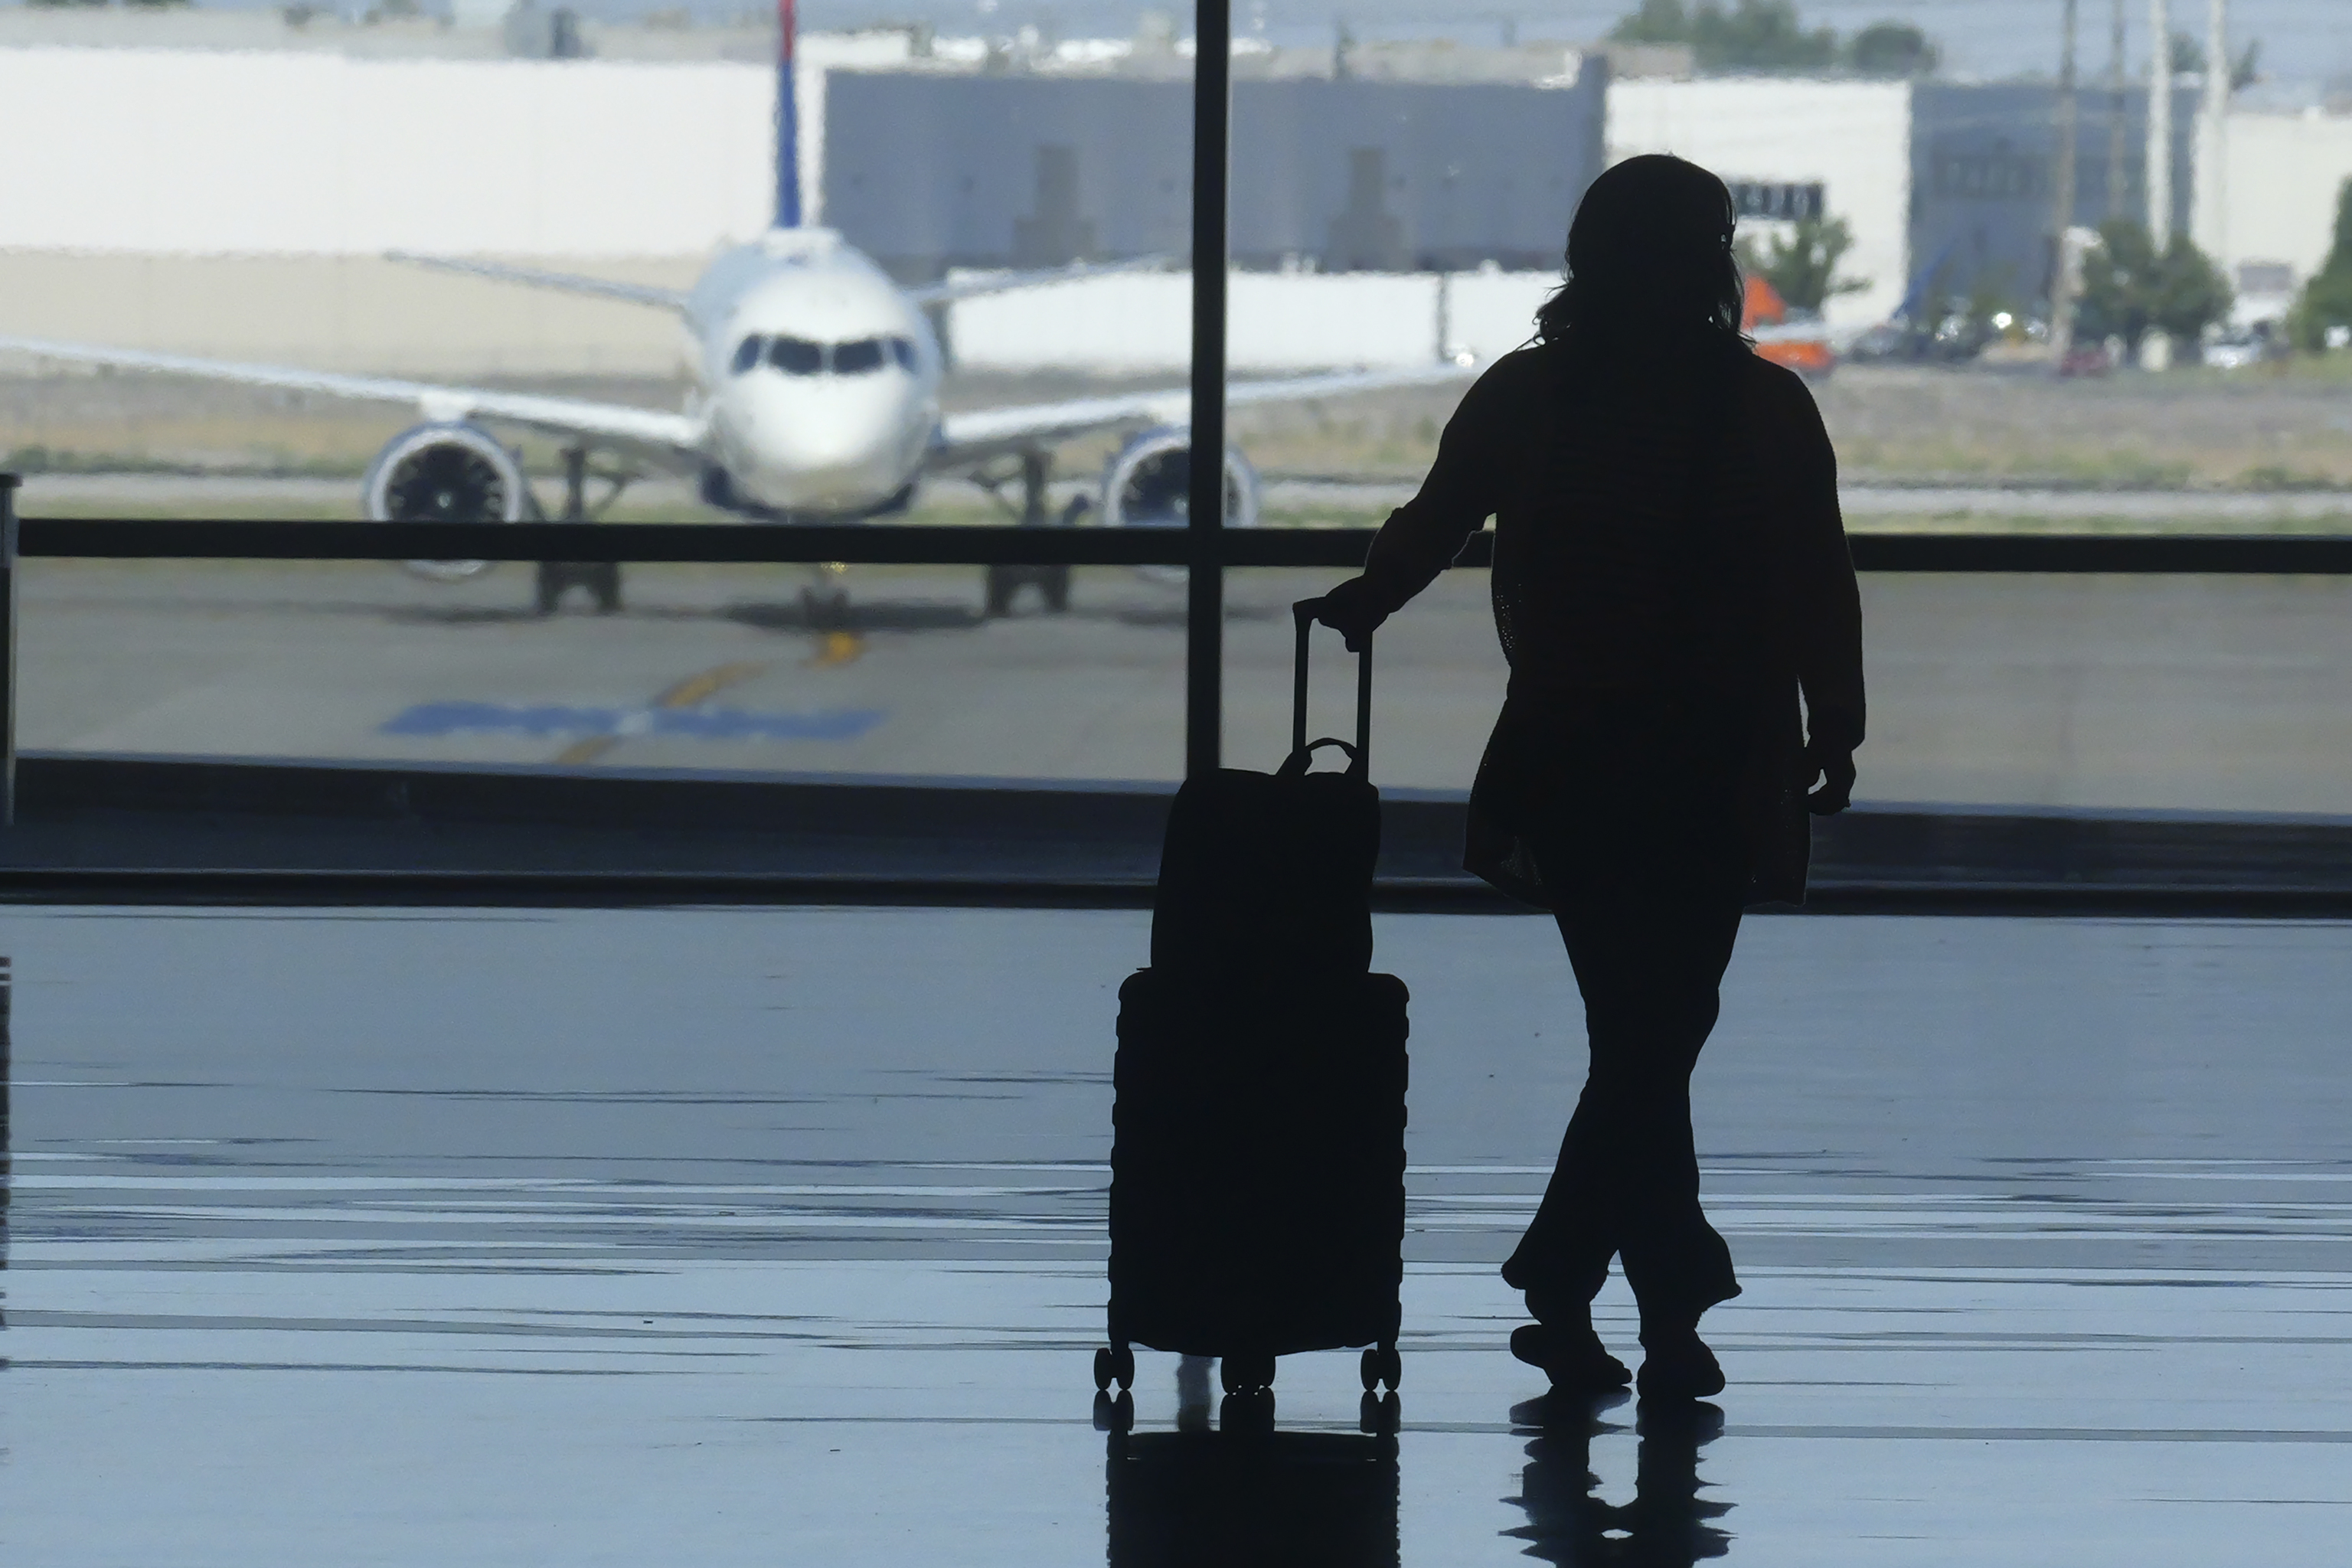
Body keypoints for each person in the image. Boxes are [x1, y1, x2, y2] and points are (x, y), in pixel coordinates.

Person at [1315, 154, 1865, 1400]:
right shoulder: (1767, 411)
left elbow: (1437, 516)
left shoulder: (1531, 396)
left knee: (1638, 1027)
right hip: (1716, 760)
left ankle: (1610, 1290)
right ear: (1711, 262)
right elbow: (1816, 577)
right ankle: (1625, 1290)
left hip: (1574, 754)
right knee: (1660, 1031)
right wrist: (1834, 718)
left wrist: (1367, 601)